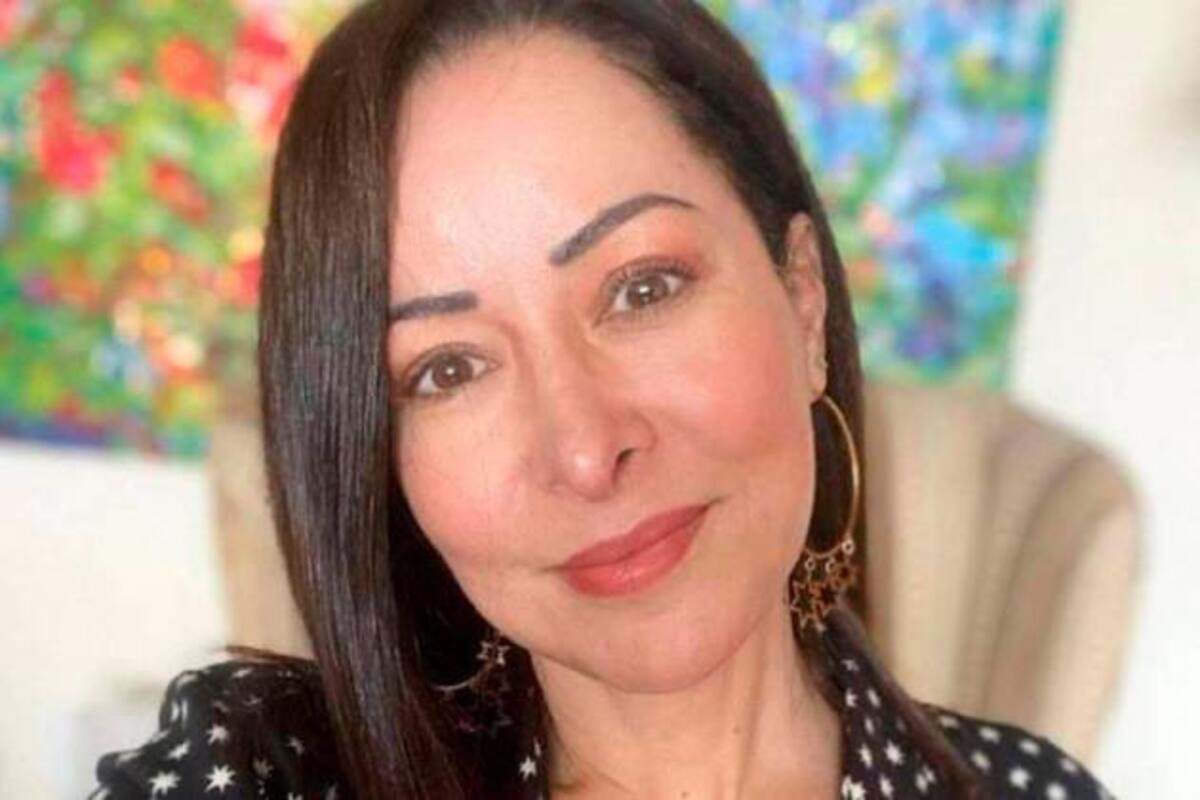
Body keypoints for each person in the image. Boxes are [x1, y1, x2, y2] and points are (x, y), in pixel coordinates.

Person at [89, 1, 1116, 798]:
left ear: (803, 301)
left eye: (643, 288)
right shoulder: (258, 772)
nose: (584, 449)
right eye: (448, 369)